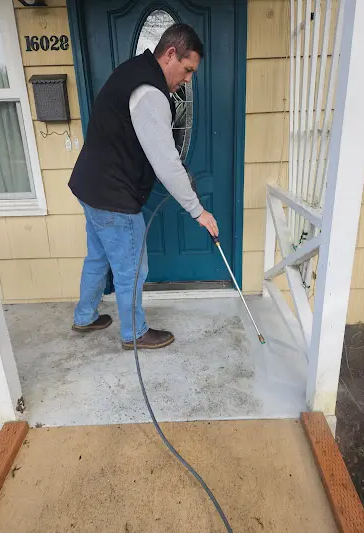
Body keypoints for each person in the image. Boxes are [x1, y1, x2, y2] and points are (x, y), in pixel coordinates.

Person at [68, 23, 219, 350]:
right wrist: (199, 211)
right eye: (188, 69)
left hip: (90, 187)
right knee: (132, 268)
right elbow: (165, 162)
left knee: (98, 256)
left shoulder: (133, 70)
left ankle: (85, 316)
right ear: (170, 54)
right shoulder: (150, 92)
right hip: (113, 195)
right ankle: (134, 333)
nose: (189, 79)